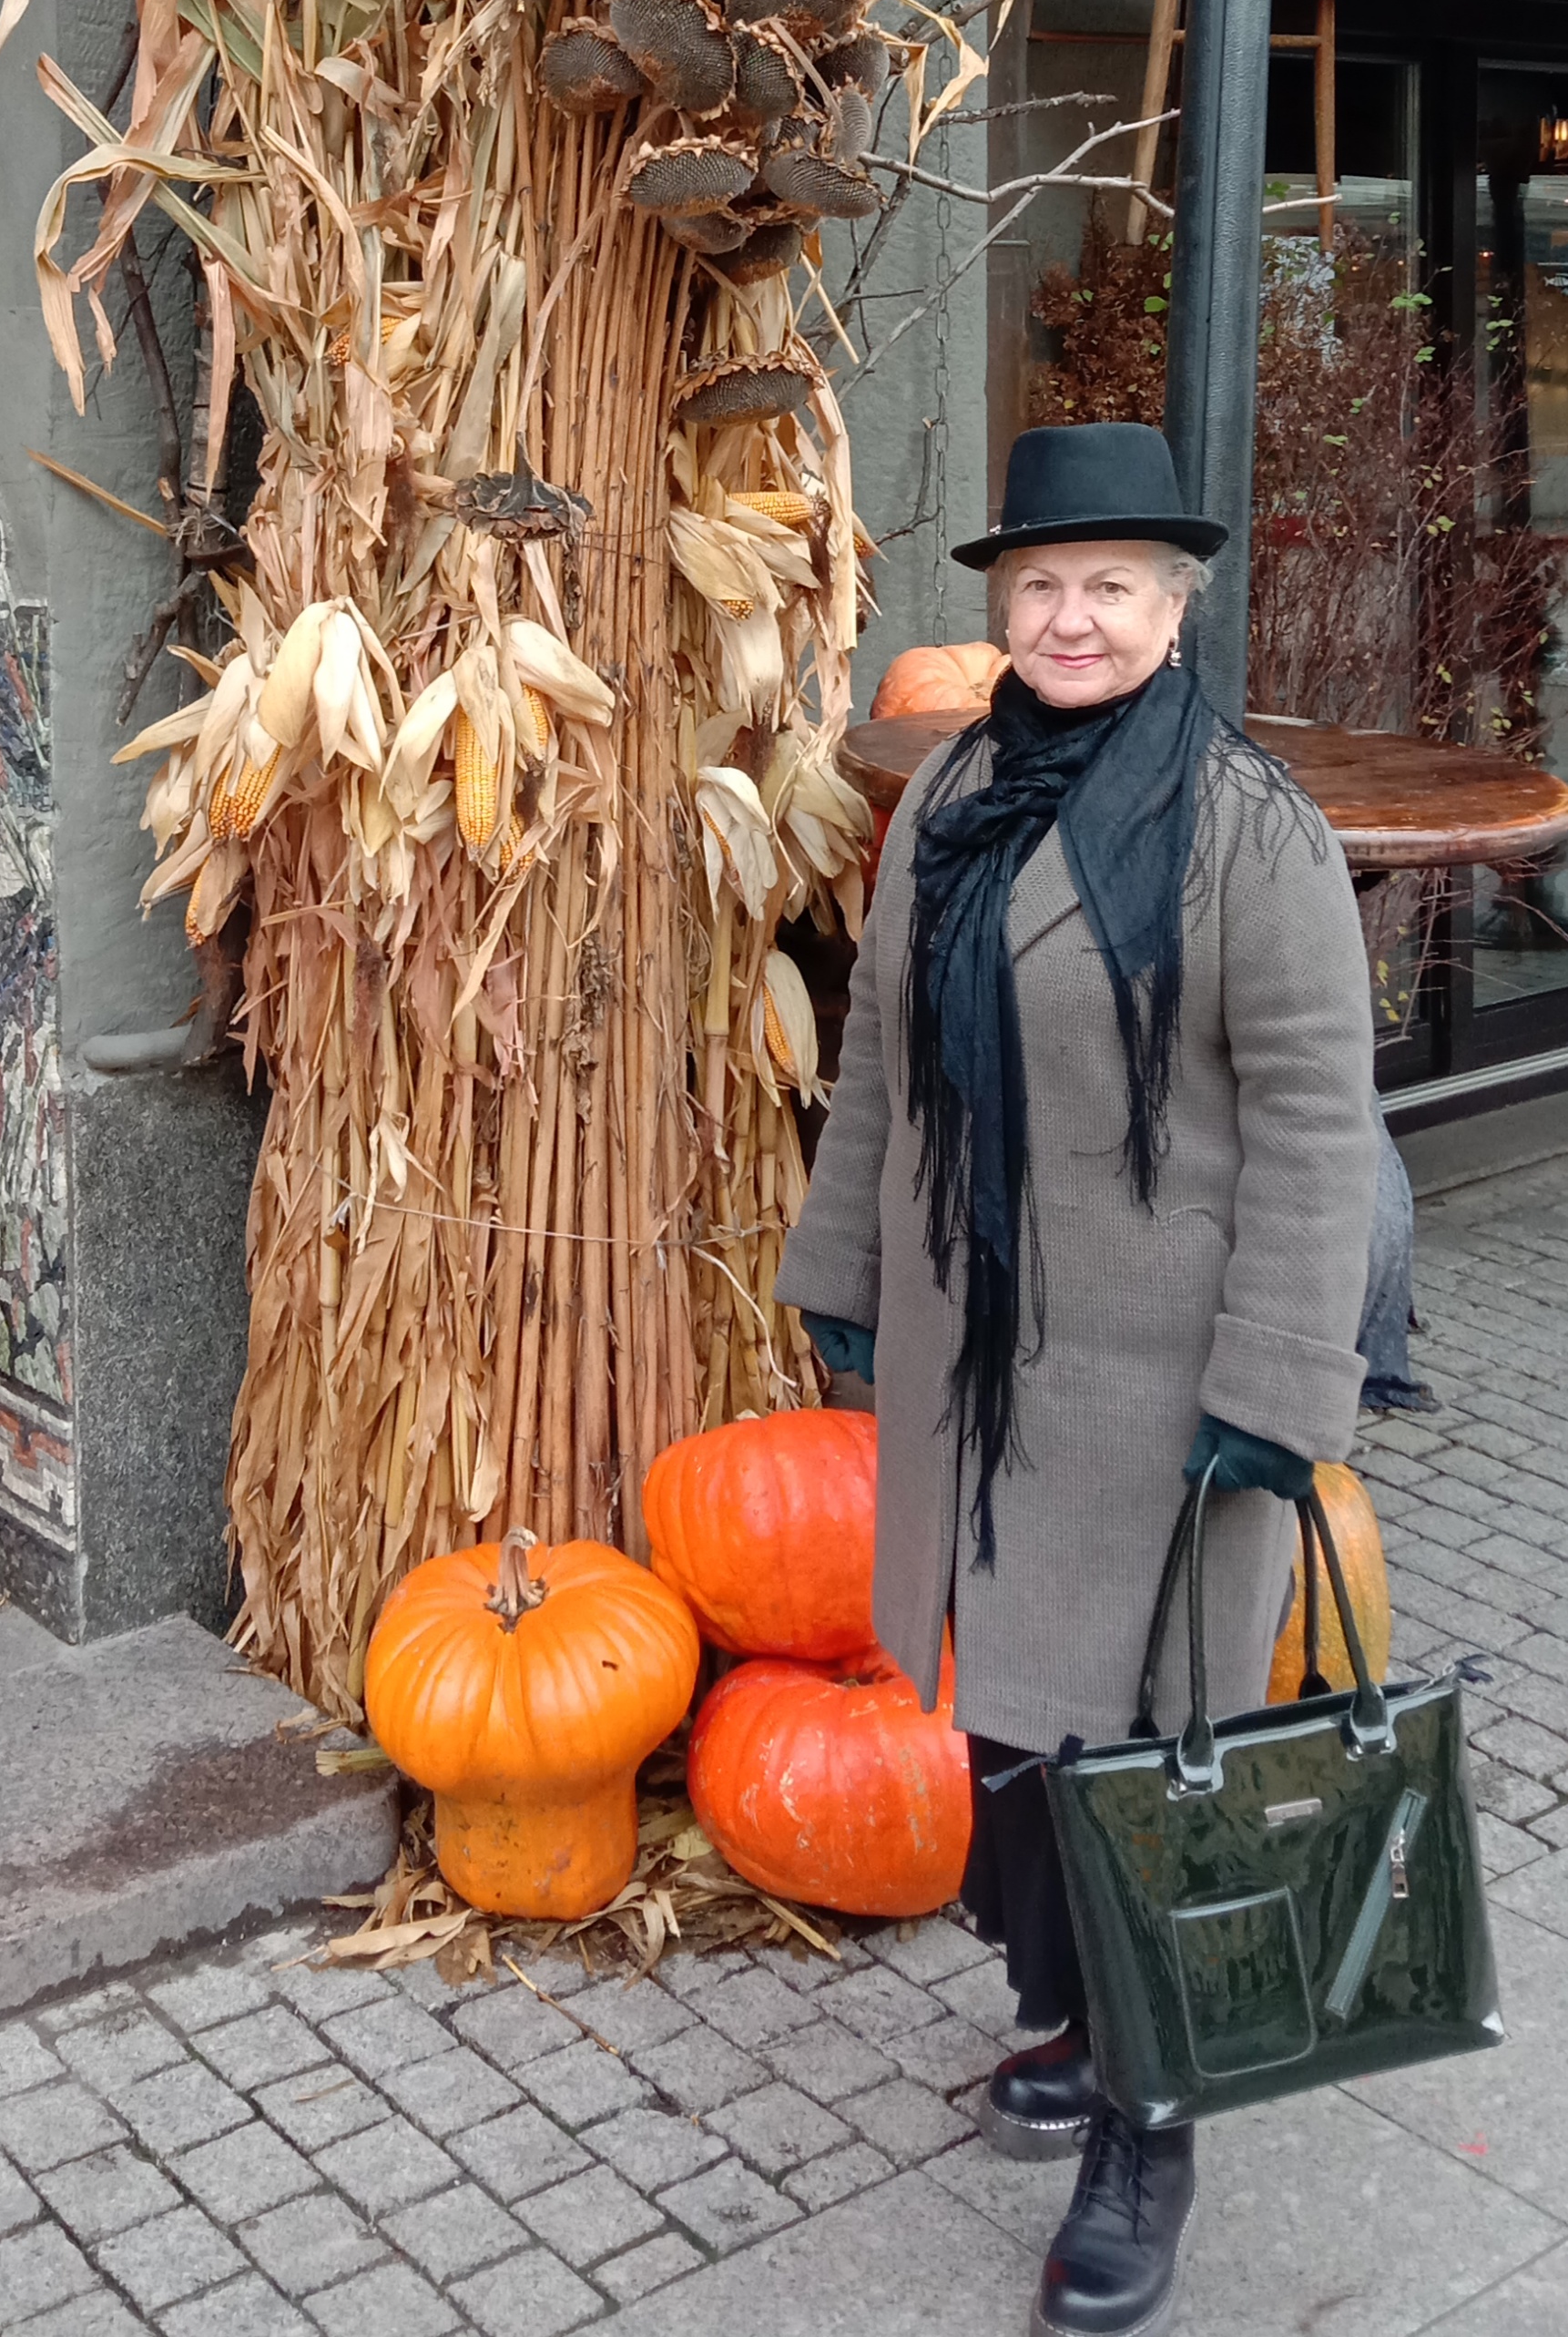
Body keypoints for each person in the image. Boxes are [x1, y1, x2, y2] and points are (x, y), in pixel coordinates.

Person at [778, 423, 1379, 2337]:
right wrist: (841, 1272)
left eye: (1110, 583)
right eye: (1039, 582)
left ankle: (1149, 2119)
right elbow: (879, 1061)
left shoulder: (1248, 830)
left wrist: (1278, 1384)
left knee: (1150, 1761)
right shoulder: (954, 790)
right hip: (979, 1364)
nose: (1069, 615)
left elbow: (1316, 1125)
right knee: (1021, 1744)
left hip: (1161, 1390)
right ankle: (1066, 2015)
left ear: (1174, 606)